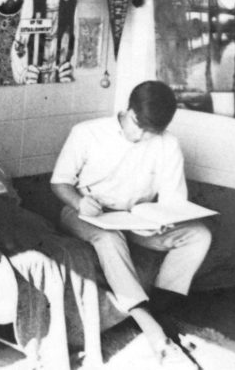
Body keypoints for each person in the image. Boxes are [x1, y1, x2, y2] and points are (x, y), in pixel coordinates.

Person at [51, 81, 211, 367]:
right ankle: (150, 327)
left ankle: (161, 308)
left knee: (198, 235)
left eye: (153, 132)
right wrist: (79, 203)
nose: (143, 137)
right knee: (109, 240)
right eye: (141, 128)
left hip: (136, 220)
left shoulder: (168, 143)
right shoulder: (87, 133)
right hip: (88, 213)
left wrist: (160, 221)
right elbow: (59, 182)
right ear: (130, 112)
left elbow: (172, 201)